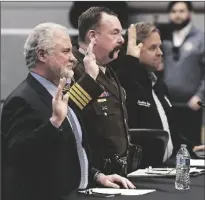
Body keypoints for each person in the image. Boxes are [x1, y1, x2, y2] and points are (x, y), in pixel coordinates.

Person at [1, 22, 135, 200]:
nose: (74, 58)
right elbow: (18, 157)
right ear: (42, 55)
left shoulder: (60, 92)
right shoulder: (22, 99)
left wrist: (96, 176)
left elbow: (71, 149)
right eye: (65, 52)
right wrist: (54, 123)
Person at [117, 22, 204, 167]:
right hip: (139, 173)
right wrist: (130, 58)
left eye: (160, 47)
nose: (160, 52)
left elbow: (172, 135)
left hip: (165, 167)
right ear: (135, 49)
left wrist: (193, 147)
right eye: (153, 48)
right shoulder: (124, 82)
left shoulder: (160, 86)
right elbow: (125, 77)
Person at [71, 7, 142, 176]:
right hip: (92, 175)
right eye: (115, 33)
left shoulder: (107, 69)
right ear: (93, 36)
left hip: (118, 174)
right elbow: (68, 114)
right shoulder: (72, 68)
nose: (122, 40)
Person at [159, 1, 205, 145]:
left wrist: (200, 96)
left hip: (192, 105)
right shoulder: (163, 37)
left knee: (191, 150)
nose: (177, 15)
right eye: (173, 11)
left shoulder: (201, 38)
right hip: (167, 104)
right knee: (169, 148)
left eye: (181, 11)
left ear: (190, 14)